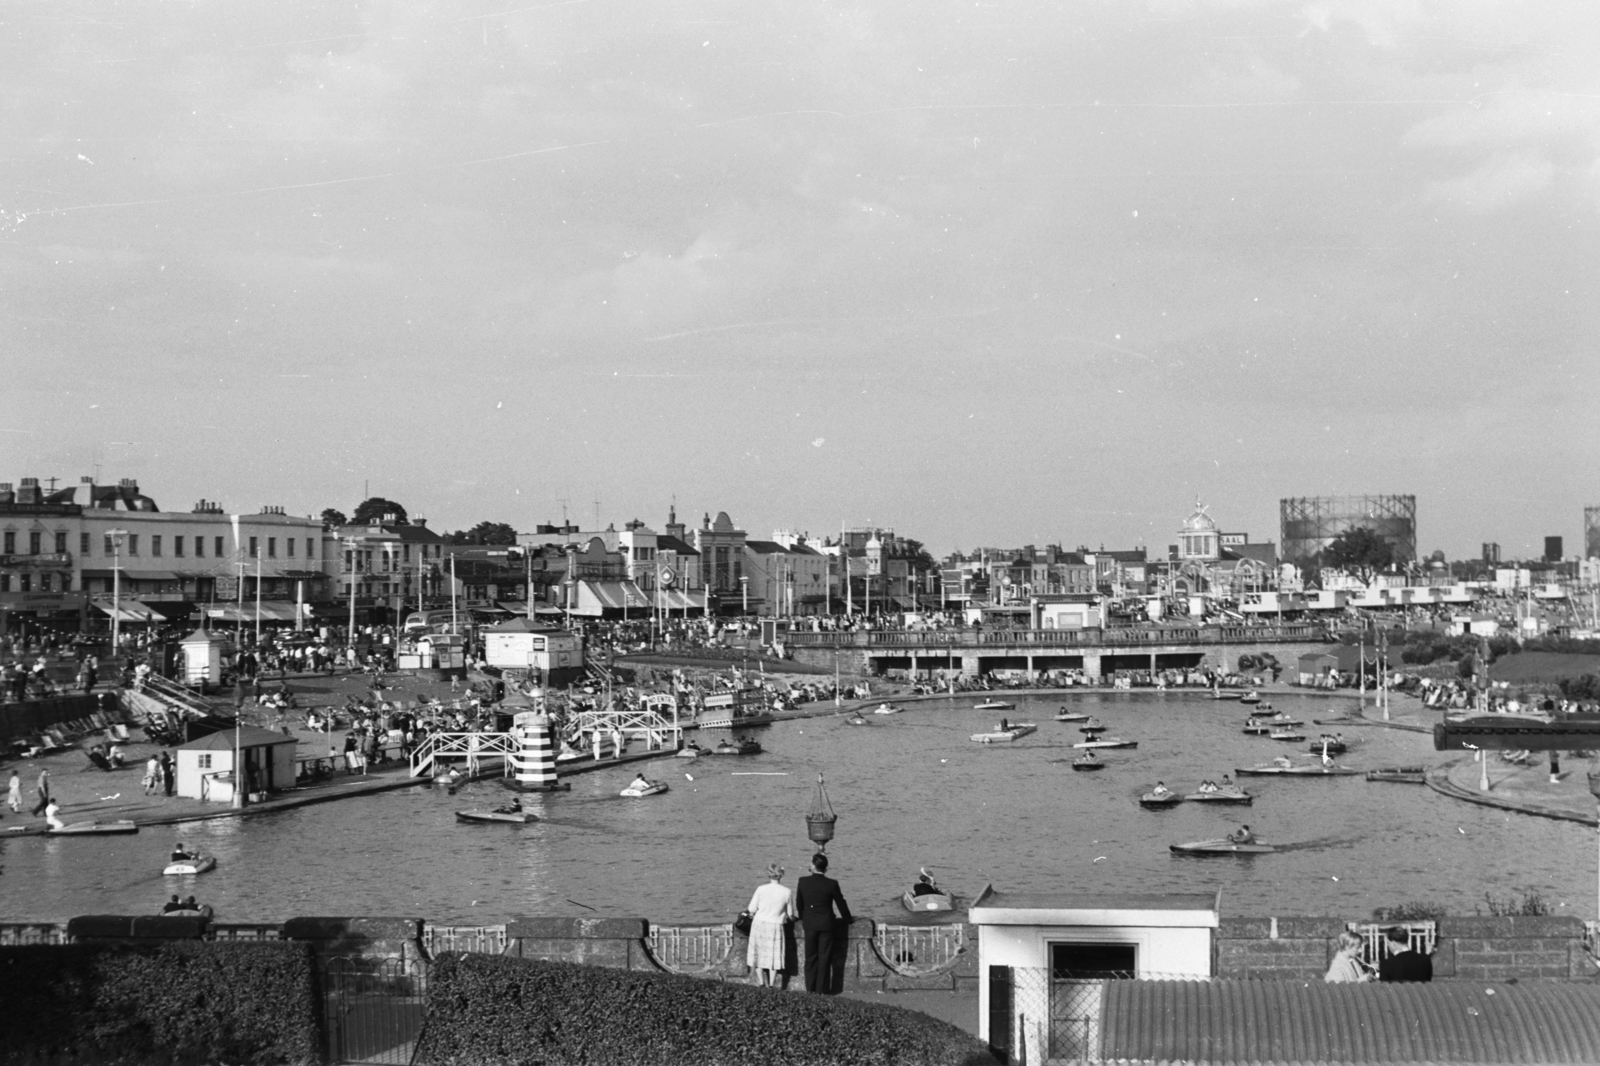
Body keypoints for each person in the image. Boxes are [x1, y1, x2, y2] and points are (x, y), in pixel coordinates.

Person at [795, 852, 852, 994]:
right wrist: (848, 919)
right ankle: (822, 991)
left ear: (813, 866)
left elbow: (799, 904)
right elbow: (841, 903)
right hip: (826, 923)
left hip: (810, 923)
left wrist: (804, 918)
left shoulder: (803, 881)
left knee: (810, 958)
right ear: (825, 868)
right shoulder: (832, 883)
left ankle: (810, 990)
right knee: (824, 958)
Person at [745, 862, 797, 988]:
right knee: (773, 956)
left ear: (768, 874)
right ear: (781, 875)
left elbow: (751, 909)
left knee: (758, 954)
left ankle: (762, 983)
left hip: (759, 924)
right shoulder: (787, 892)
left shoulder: (761, 889)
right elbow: (790, 914)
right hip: (775, 926)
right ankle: (771, 985)